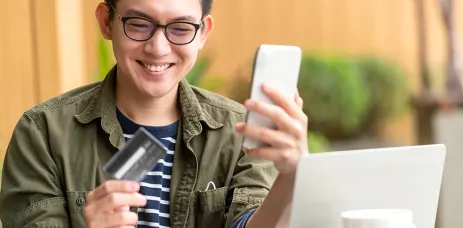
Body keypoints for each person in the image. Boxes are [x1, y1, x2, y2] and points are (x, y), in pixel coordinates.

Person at [0, 0, 309, 227]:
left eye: (180, 28)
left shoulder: (243, 131)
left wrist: (293, 175)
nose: (158, 48)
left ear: (203, 32)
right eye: (138, 24)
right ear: (107, 21)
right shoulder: (42, 132)